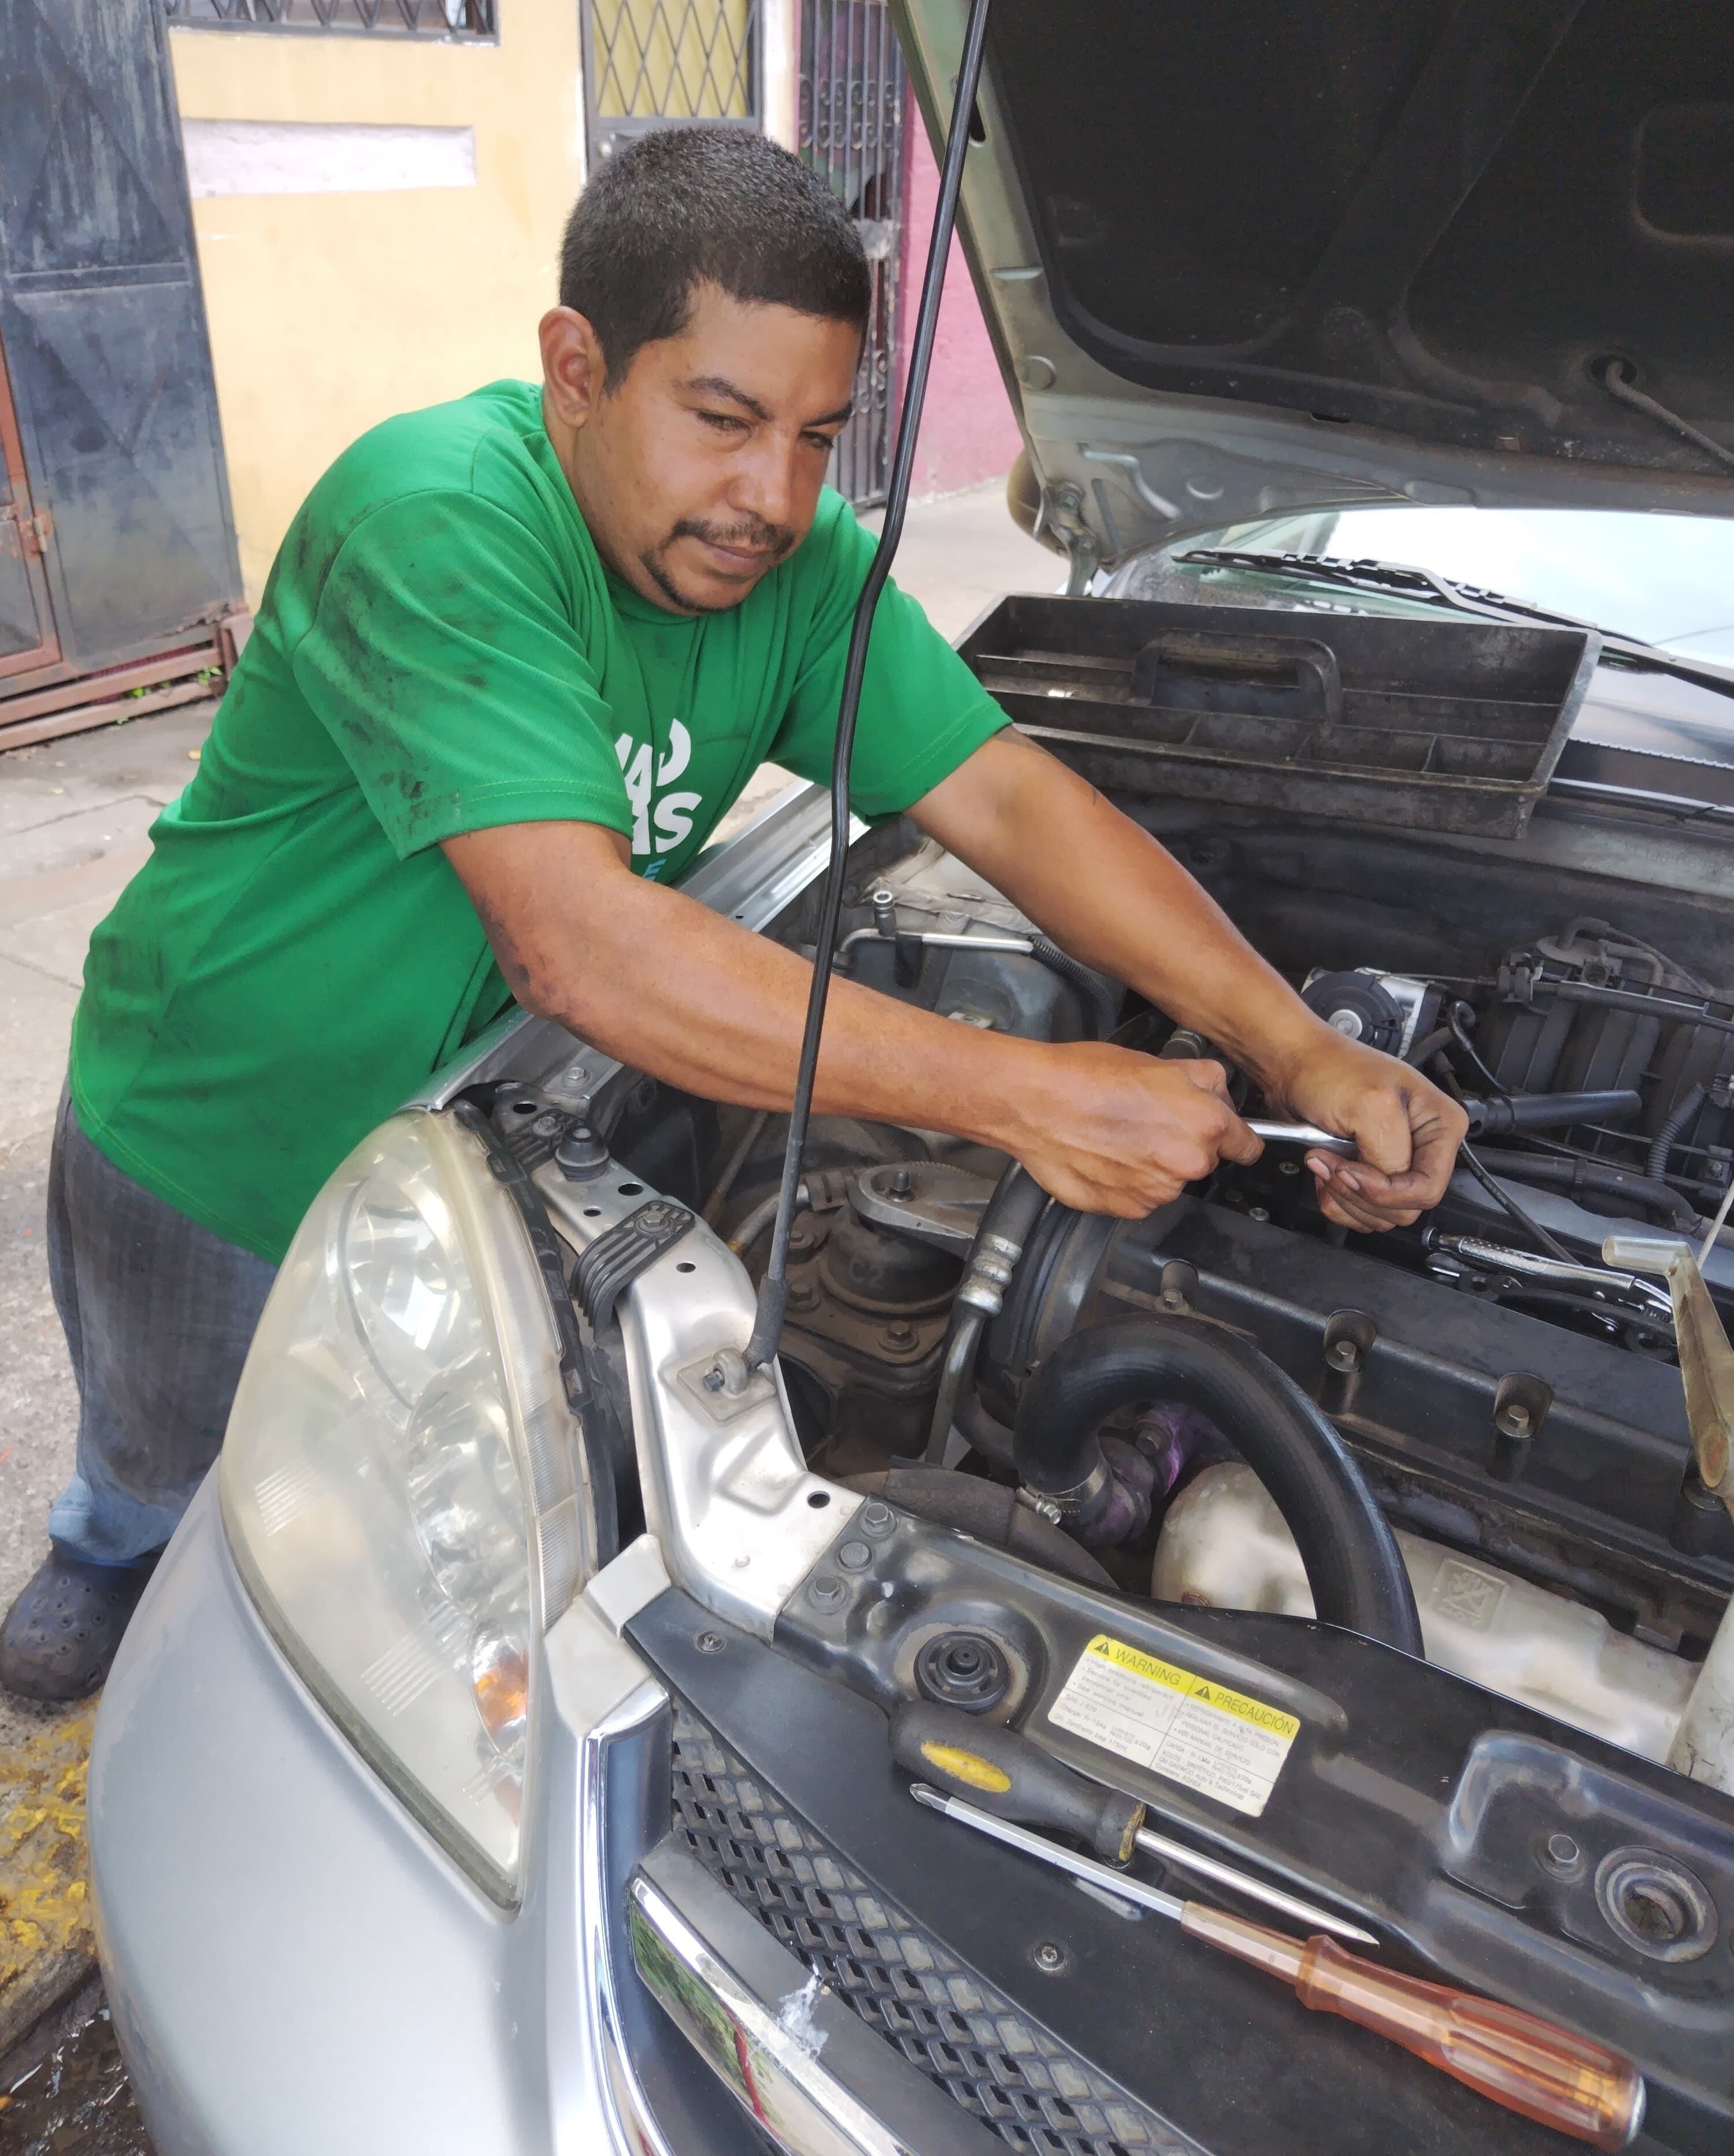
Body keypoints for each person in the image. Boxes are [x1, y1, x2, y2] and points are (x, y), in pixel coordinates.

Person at [0, 126, 1466, 1703]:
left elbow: (1012, 797)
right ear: (577, 368)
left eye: (821, 437)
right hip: (224, 1130)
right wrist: (1035, 1096)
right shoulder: (433, 515)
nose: (771, 496)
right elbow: (580, 945)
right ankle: (104, 1549)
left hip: (468, 1149)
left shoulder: (796, 568)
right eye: (723, 418)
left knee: (378, 1524)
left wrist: (1295, 1046)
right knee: (181, 1460)